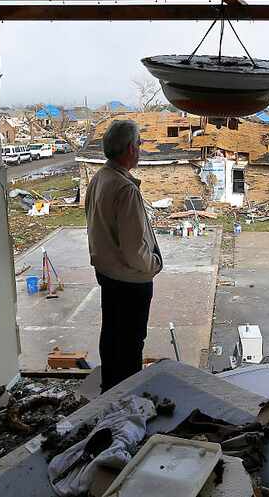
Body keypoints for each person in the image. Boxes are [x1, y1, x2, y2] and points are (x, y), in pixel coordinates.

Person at [85, 119, 163, 392]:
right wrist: (152, 266)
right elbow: (134, 249)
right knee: (130, 342)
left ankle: (110, 389)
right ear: (131, 148)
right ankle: (125, 397)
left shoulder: (99, 178)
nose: (140, 149)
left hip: (107, 274)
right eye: (139, 144)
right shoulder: (125, 189)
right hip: (130, 280)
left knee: (112, 336)